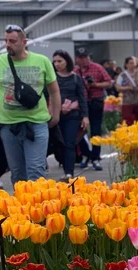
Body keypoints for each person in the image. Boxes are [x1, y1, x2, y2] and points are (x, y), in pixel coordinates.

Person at [0, 24, 60, 185]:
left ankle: (38, 208)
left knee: (36, 170)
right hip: (8, 126)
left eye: (12, 41)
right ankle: (22, 208)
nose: (8, 45)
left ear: (24, 42)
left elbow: (54, 91)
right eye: (5, 41)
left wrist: (55, 115)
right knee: (18, 173)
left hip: (37, 123)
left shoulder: (42, 61)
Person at [53, 50, 89, 181]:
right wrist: (59, 107)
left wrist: (84, 116)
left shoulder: (76, 78)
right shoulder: (52, 77)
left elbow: (82, 97)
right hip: (55, 115)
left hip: (73, 115)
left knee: (69, 143)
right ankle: (64, 167)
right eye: (55, 61)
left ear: (67, 61)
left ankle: (69, 173)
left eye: (60, 61)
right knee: (58, 144)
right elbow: (47, 96)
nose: (57, 64)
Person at [74, 47, 112, 170]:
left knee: (96, 130)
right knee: (80, 131)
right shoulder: (75, 71)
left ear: (89, 57)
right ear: (76, 59)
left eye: (85, 57)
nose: (83, 60)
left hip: (96, 101)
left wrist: (95, 85)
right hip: (81, 104)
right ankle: (86, 155)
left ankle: (96, 157)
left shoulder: (97, 68)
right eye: (80, 58)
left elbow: (109, 82)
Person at [116, 56, 138, 125]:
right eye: (130, 63)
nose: (132, 65)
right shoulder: (122, 75)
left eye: (133, 63)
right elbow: (118, 87)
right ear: (126, 64)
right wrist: (127, 88)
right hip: (127, 102)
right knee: (127, 121)